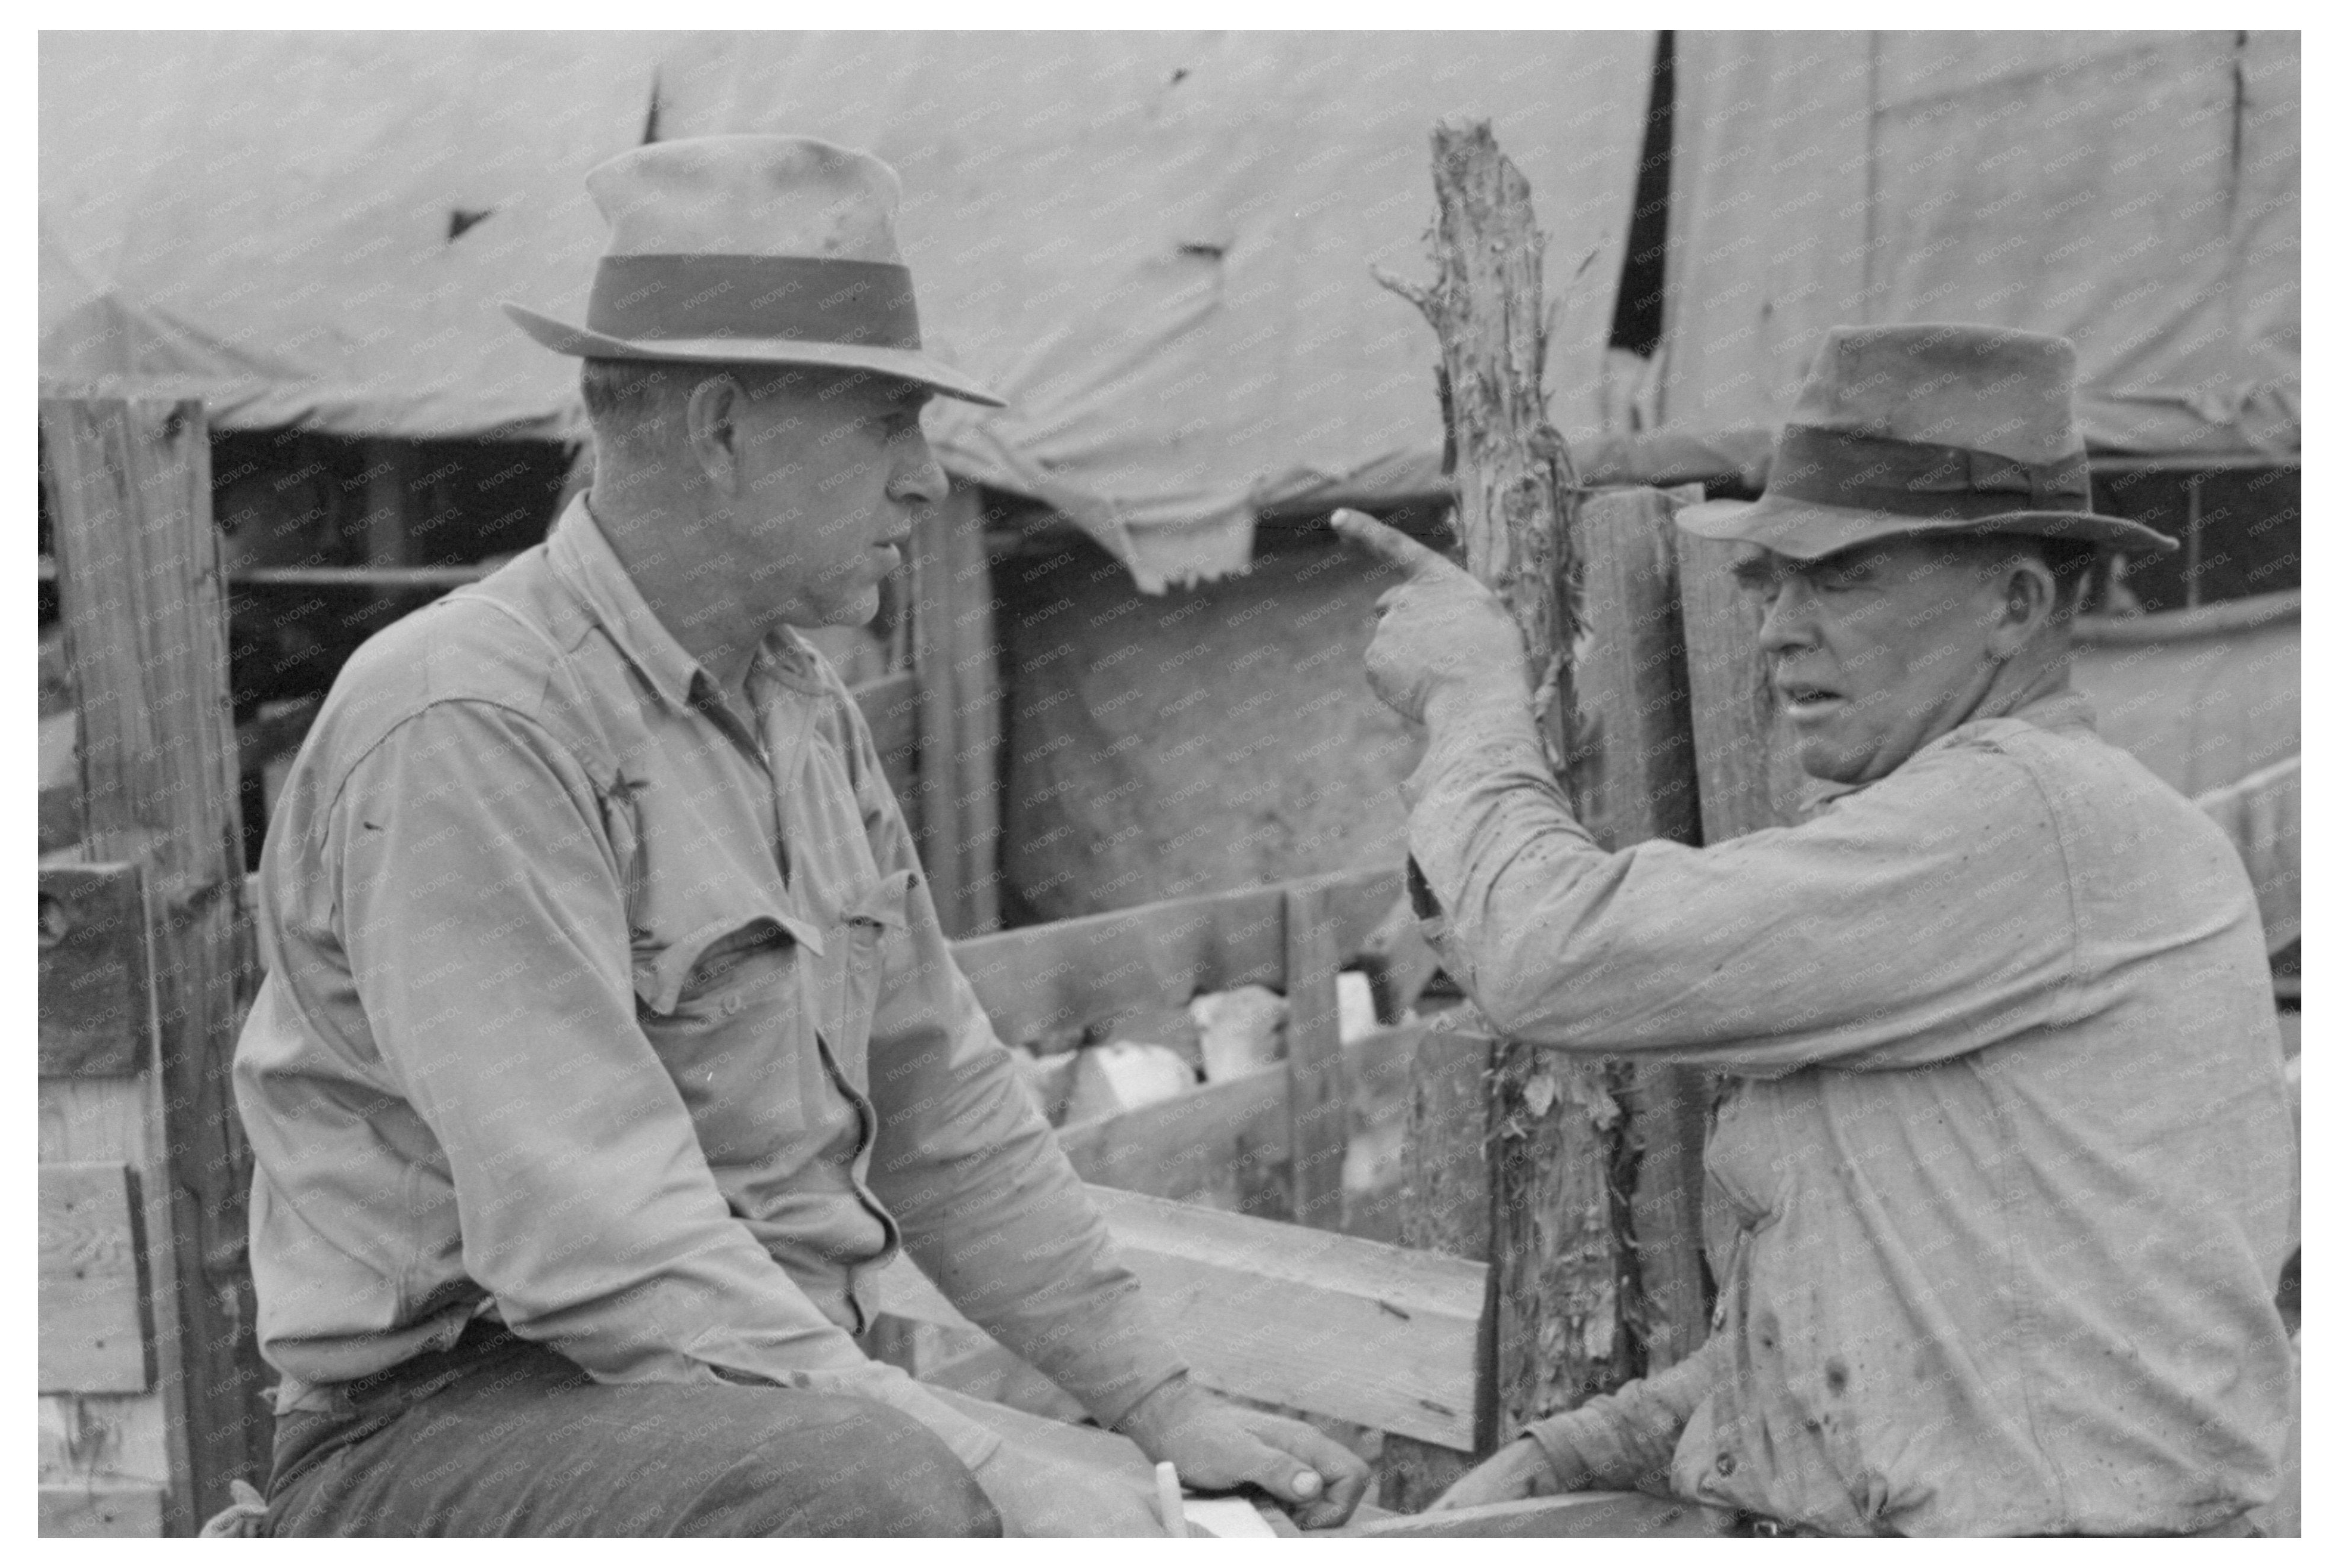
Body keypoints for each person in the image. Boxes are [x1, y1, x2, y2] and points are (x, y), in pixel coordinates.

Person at [230, 134, 1366, 1538]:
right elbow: (602, 1249)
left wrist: (1160, 1407)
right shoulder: (468, 720)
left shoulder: (798, 708)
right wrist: (1008, 1477)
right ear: (719, 429)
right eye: (886, 423)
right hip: (448, 1421)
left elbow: (941, 1100)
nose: (927, 483)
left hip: (742, 1399)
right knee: (888, 1488)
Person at [1332, 323, 2295, 1538]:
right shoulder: (1962, 829)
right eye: (1767, 579)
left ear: (2014, 603)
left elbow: (1546, 952)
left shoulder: (2014, 814)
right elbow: (1866, 1318)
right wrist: (1582, 1447)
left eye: (1839, 577)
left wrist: (1472, 703)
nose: (1779, 626)